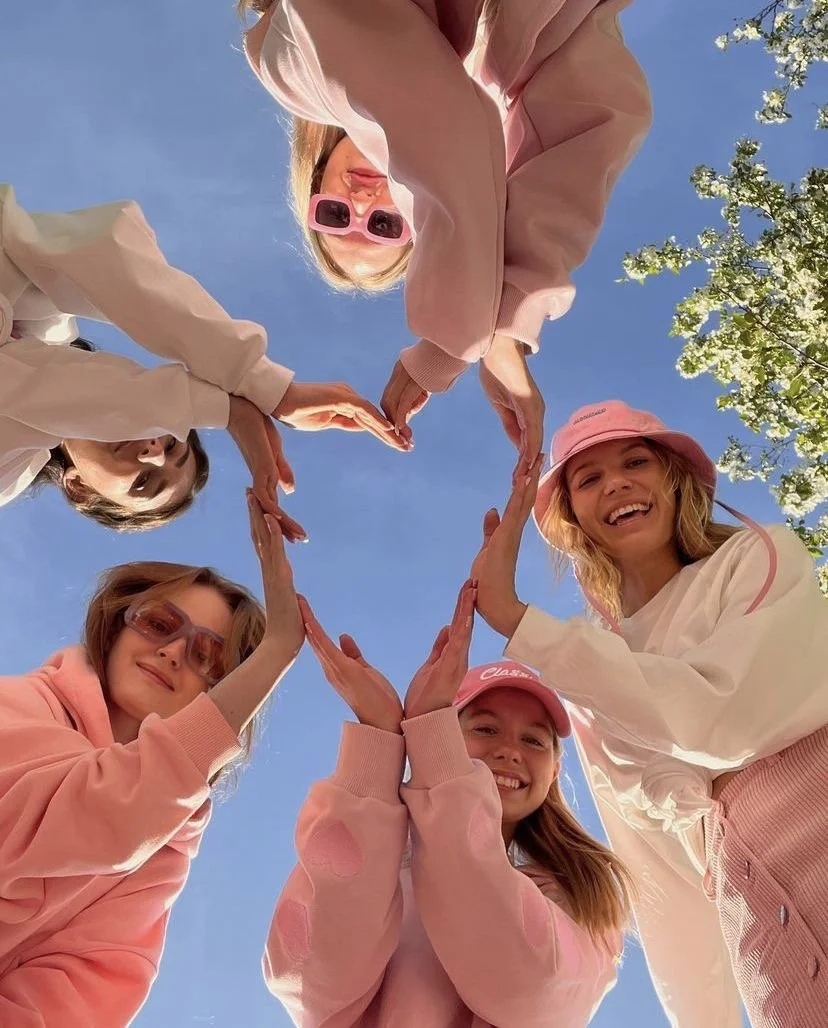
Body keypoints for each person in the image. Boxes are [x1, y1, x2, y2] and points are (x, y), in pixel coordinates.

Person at [472, 399, 828, 1028]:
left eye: (636, 460)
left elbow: (731, 717)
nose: (617, 482)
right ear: (574, 518)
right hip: (752, 914)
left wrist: (520, 624)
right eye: (588, 478)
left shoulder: (759, 559)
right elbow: (653, 871)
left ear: (674, 479)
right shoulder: (592, 672)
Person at [239, 0, 652, 462]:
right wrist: (507, 314)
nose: (357, 204)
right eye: (383, 225)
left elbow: (434, 119)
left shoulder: (292, 66)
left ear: (311, 180)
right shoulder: (490, 59)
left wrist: (452, 341)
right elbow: (589, 120)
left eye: (333, 215)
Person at [262, 580, 631, 1026]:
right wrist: (377, 740)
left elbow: (529, 987)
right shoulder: (378, 864)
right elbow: (310, 979)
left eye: (533, 740)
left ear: (554, 771)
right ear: (439, 743)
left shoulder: (584, 888)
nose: (510, 751)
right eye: (485, 729)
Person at [0, 494, 305, 1027]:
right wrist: (277, 649)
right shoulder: (19, 707)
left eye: (208, 657)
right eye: (160, 623)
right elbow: (81, 809)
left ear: (221, 694)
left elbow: (79, 993)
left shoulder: (164, 856)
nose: (174, 653)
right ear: (116, 624)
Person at [0, 183, 409, 530]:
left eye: (144, 482)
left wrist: (228, 406)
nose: (155, 452)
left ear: (80, 490)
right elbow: (95, 255)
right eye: (174, 436)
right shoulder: (46, 322)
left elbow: (21, 387)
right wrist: (257, 383)